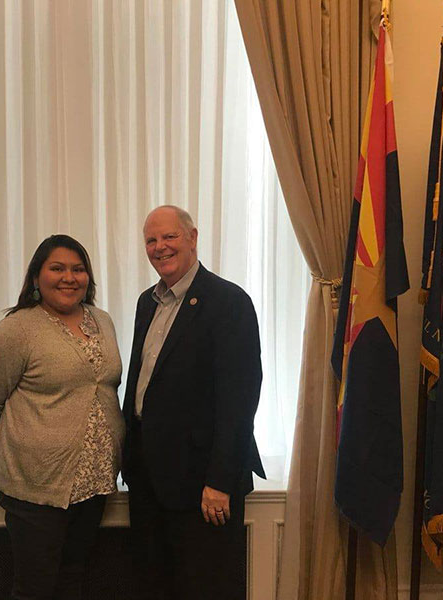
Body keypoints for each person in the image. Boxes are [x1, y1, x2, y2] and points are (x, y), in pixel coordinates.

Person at [122, 205, 265, 599]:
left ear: (192, 237)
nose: (159, 247)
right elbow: (142, 385)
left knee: (203, 588)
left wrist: (219, 481)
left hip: (203, 487)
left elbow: (240, 398)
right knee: (153, 585)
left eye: (169, 237)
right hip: (149, 480)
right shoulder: (146, 303)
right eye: (151, 240)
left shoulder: (228, 302)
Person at [0, 234, 125, 600]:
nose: (68, 277)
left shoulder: (101, 321)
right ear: (37, 277)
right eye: (57, 268)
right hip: (36, 490)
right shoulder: (16, 330)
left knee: (74, 580)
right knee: (35, 590)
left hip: (94, 484)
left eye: (78, 269)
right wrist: (25, 452)